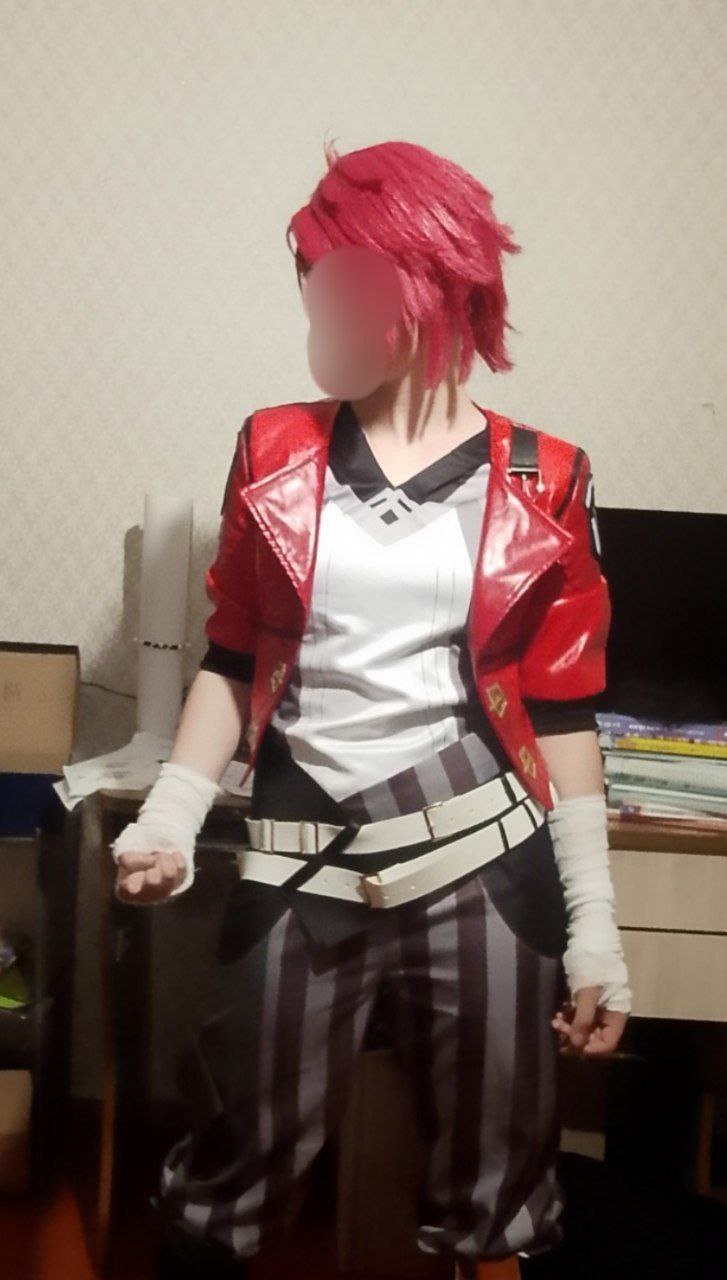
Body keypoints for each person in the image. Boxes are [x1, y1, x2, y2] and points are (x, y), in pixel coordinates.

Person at [111, 140, 632, 1280]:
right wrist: (171, 813)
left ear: (431, 281)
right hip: (303, 844)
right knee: (238, 1156)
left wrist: (593, 920)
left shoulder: (545, 473)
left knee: (498, 1182)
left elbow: (562, 710)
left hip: (483, 855)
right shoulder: (274, 449)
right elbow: (233, 654)